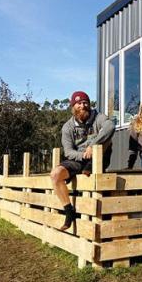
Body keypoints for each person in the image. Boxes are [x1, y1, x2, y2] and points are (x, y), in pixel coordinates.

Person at [50, 91, 115, 230]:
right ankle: (69, 212)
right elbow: (68, 152)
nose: (83, 106)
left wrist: (92, 146)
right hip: (79, 159)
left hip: (99, 157)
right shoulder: (68, 127)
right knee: (56, 174)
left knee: (106, 140)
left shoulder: (98, 116)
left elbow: (110, 126)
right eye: (79, 103)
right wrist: (84, 155)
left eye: (85, 102)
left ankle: (90, 167)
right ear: (73, 106)